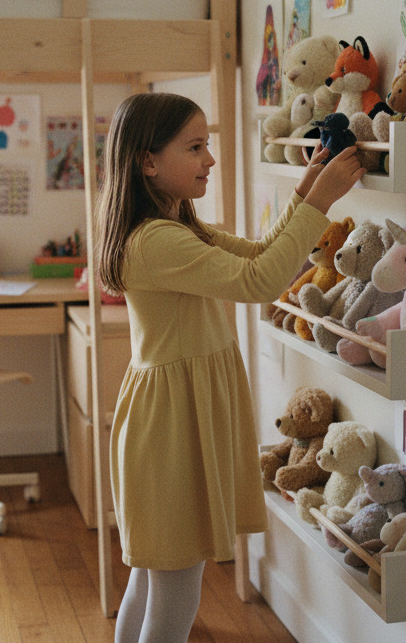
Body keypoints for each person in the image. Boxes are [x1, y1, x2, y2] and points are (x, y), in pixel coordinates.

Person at [96, 92, 365, 643]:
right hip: (169, 430)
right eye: (195, 148)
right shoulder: (156, 240)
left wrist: (305, 192)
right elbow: (259, 282)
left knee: (152, 580)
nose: (210, 160)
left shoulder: (177, 227)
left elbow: (259, 254)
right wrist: (323, 202)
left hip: (169, 421)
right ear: (148, 162)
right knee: (174, 588)